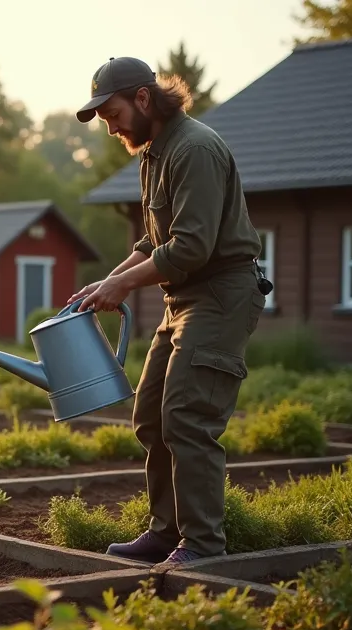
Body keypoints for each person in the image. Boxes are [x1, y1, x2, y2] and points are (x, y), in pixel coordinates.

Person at [65, 56, 268, 567]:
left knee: (187, 415)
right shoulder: (154, 153)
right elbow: (153, 241)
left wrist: (123, 287)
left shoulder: (194, 148)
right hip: (183, 300)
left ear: (141, 98)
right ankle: (165, 531)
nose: (108, 127)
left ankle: (202, 545)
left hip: (221, 294)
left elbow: (190, 249)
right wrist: (108, 283)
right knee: (152, 414)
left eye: (110, 113)